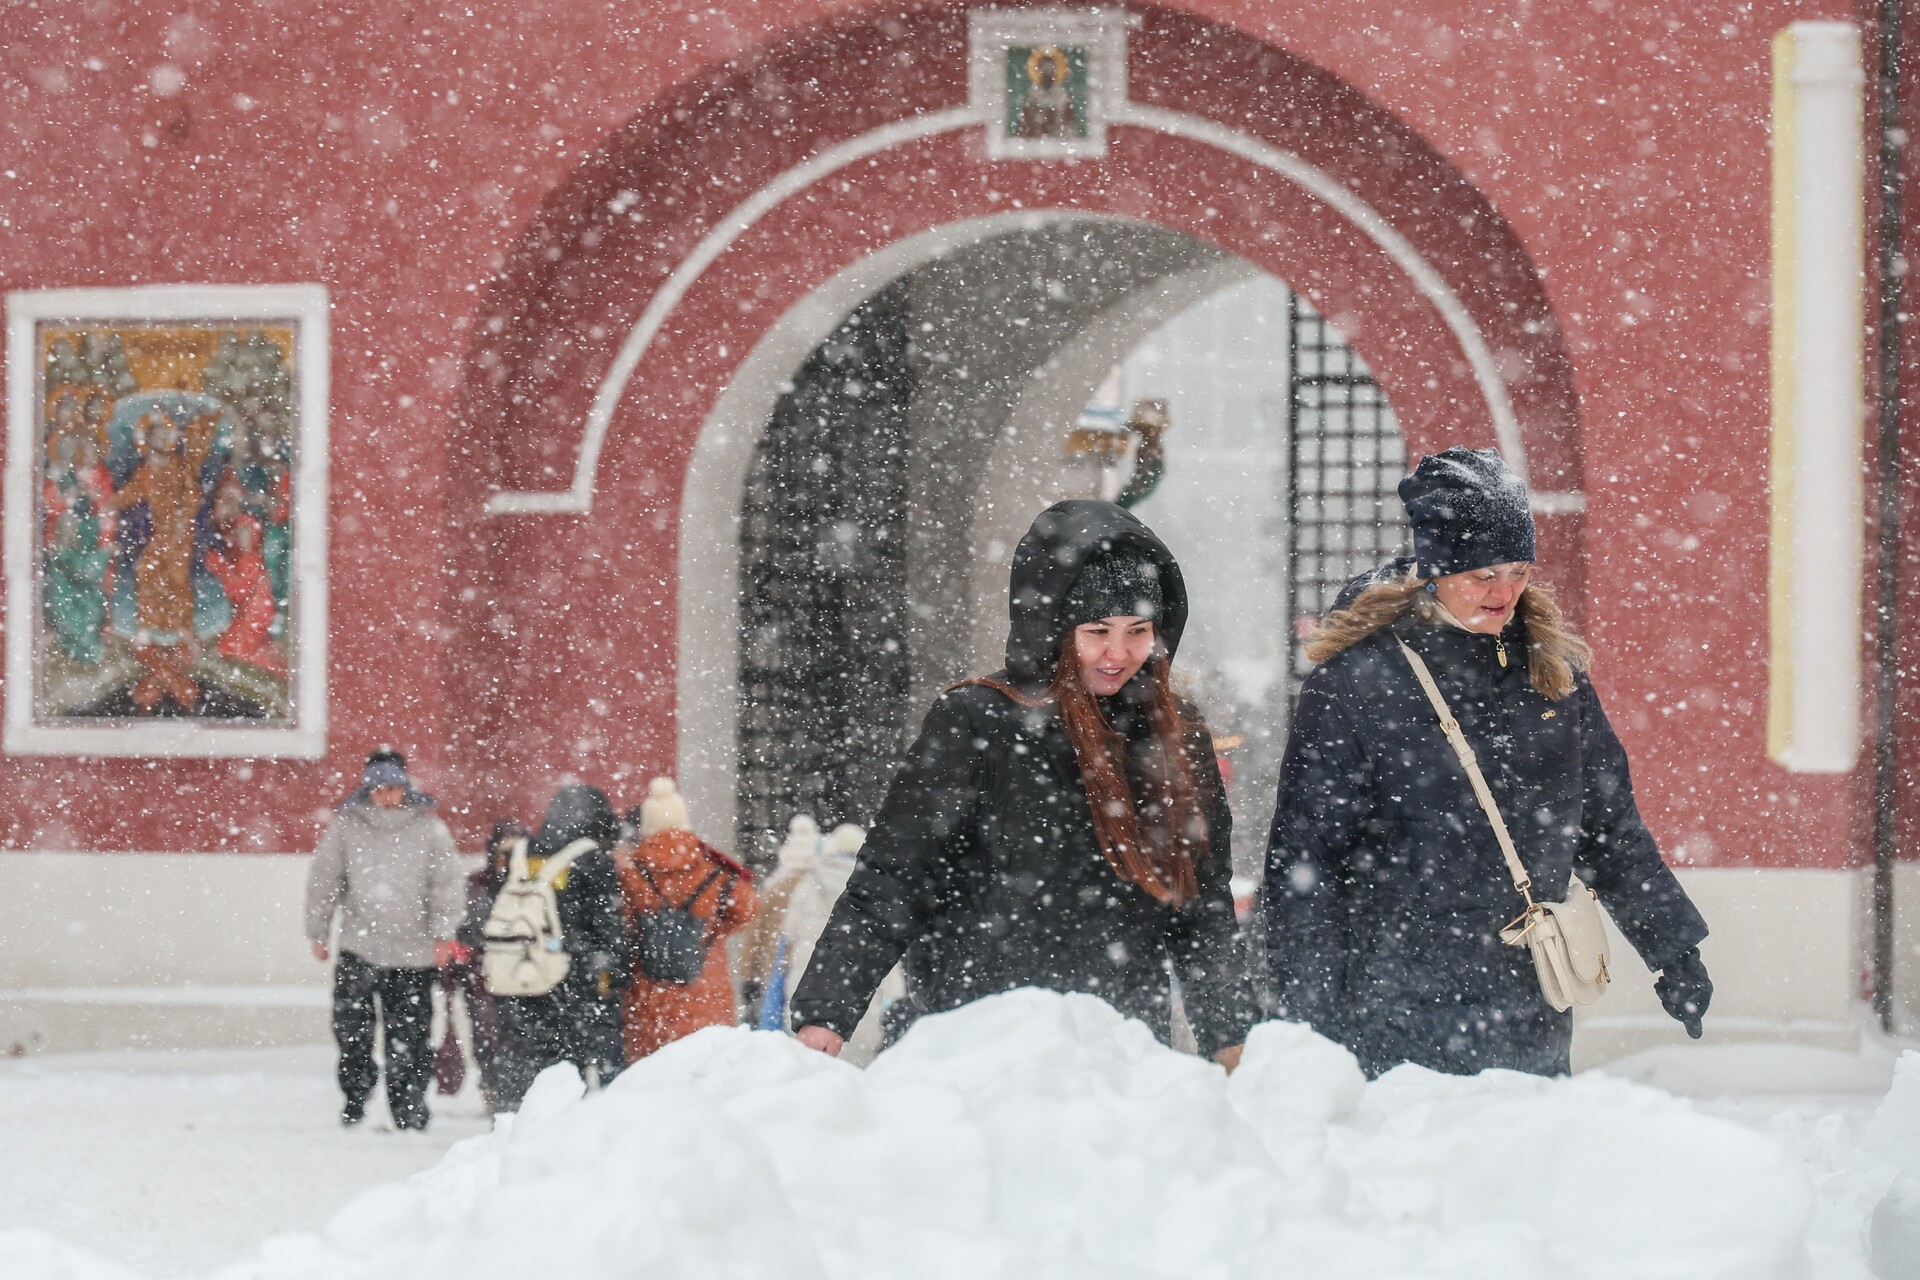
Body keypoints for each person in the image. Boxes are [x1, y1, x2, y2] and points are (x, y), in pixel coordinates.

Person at [1264, 447, 1713, 1079]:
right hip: (1396, 1016)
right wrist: (1307, 1017)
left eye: (1519, 571)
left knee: (1525, 1171)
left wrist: (1672, 949)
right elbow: (1305, 863)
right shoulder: (1358, 683)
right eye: (1481, 575)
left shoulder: (1552, 675)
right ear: (1435, 568)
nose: (1504, 592)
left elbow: (1608, 825)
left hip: (1530, 1004)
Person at [790, 500, 1257, 1067]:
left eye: (1138, 631)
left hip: (1123, 1059)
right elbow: (892, 881)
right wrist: (826, 1014)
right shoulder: (977, 721)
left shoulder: (1176, 736)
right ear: (1056, 628)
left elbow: (1201, 910)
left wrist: (1229, 1038)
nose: (1118, 653)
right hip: (980, 1050)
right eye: (1096, 630)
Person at [305, 750, 465, 1129]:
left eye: (392, 788)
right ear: (367, 789)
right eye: (377, 788)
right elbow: (325, 881)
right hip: (359, 948)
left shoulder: (429, 830)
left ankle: (409, 1107)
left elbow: (446, 886)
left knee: (410, 1036)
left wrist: (444, 935)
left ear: (404, 787)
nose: (385, 796)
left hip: (413, 954)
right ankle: (355, 1099)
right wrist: (318, 930)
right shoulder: (347, 827)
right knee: (352, 1034)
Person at [490, 784, 630, 1108]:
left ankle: (515, 1112)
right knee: (571, 1050)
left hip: (520, 967)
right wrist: (614, 967)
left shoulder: (523, 851)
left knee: (523, 1046)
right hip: (572, 971)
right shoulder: (591, 857)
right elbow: (606, 919)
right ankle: (562, 1119)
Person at [615, 778, 756, 1062]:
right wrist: (708, 932)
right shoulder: (714, 867)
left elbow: (624, 922)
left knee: (655, 1084)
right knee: (706, 1079)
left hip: (650, 999)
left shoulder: (630, 871)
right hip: (705, 989)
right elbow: (748, 908)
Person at [453, 818, 527, 1112]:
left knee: (519, 1033)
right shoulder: (478, 884)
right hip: (482, 973)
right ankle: (492, 1086)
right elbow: (466, 928)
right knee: (485, 1033)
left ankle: (517, 1089)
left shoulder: (530, 885)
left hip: (521, 971)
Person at [738, 814, 819, 1020]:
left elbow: (755, 934)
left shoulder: (775, 887)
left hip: (775, 966)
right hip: (814, 966)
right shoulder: (820, 887)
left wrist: (750, 978)